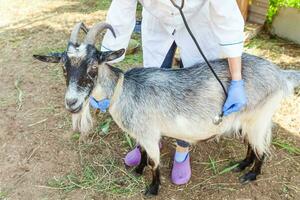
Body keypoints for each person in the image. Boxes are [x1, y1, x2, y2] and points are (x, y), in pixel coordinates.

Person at [91, 0, 247, 185]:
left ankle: (182, 150)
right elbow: (120, 16)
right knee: (150, 85)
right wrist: (105, 78)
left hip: (200, 23)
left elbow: (228, 19)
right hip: (158, 23)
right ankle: (148, 142)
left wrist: (236, 79)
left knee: (191, 93)